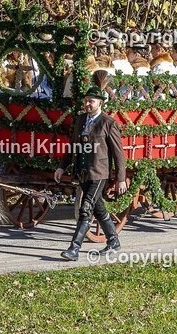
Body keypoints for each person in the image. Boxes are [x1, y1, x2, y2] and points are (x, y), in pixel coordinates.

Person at [54, 86, 127, 260]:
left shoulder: (108, 123)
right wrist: (62, 166)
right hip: (82, 172)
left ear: (100, 103)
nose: (87, 104)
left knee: (86, 208)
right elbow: (73, 145)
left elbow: (118, 153)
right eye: (86, 101)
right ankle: (113, 241)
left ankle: (74, 249)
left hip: (99, 173)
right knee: (99, 208)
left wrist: (121, 178)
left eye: (91, 101)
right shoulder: (81, 119)